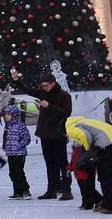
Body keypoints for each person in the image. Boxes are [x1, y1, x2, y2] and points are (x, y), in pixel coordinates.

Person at [10, 68, 73, 200]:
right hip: (45, 134)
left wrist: (48, 106)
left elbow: (66, 113)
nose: (44, 88)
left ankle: (67, 190)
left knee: (62, 163)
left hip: (58, 133)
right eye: (42, 86)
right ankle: (52, 189)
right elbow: (28, 90)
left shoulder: (64, 96)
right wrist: (16, 80)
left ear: (53, 83)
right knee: (49, 163)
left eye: (46, 86)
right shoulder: (42, 93)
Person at [65, 116, 112, 214]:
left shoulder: (70, 127)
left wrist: (87, 151)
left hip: (108, 145)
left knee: (106, 176)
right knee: (109, 175)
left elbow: (85, 136)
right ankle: (107, 203)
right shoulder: (84, 121)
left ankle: (110, 206)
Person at [2, 104, 32, 199]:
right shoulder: (8, 126)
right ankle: (17, 191)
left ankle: (26, 190)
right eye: (6, 114)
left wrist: (19, 145)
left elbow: (27, 138)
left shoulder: (20, 126)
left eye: (9, 114)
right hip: (10, 153)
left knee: (19, 172)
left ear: (14, 115)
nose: (6, 116)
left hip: (19, 153)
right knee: (12, 172)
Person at [67, 144, 102, 210]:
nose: (75, 143)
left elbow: (90, 162)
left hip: (85, 173)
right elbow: (72, 161)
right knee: (85, 189)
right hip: (78, 174)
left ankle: (89, 203)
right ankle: (96, 200)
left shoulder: (86, 152)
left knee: (87, 189)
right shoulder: (75, 151)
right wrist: (69, 169)